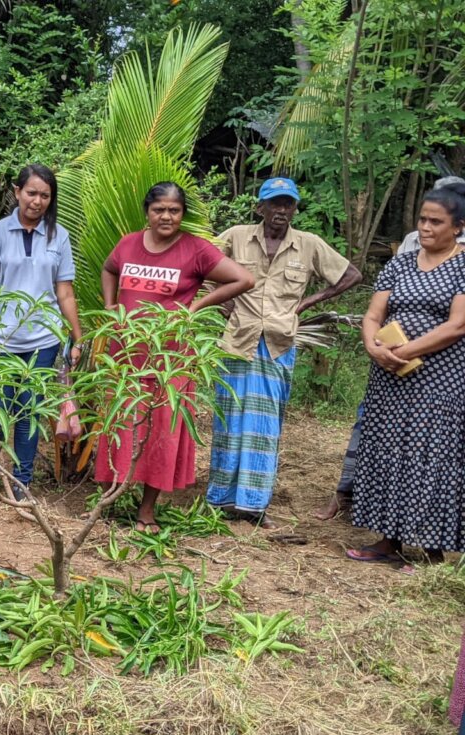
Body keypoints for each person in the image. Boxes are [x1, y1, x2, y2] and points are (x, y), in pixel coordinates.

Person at [96, 182, 255, 533]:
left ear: (182, 214)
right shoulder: (128, 243)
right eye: (159, 210)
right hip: (125, 354)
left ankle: (146, 511)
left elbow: (244, 279)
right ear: (147, 212)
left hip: (170, 358)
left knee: (162, 430)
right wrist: (110, 305)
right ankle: (110, 498)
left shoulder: (195, 249)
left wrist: (195, 307)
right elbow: (109, 269)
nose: (166, 216)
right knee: (123, 422)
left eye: (174, 210)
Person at [205, 177, 361, 527]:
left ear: (294, 209)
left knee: (265, 424)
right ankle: (219, 501)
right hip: (236, 341)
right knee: (229, 419)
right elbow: (199, 264)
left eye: (288, 204)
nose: (281, 211)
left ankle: (254, 504)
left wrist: (307, 303)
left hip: (277, 344)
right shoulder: (236, 236)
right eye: (274, 203)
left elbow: (351, 274)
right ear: (260, 207)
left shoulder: (309, 245)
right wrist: (221, 301)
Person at [316, 175, 465, 521]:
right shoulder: (399, 262)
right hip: (389, 374)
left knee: (430, 451)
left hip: (439, 377)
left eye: (435, 222)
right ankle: (387, 538)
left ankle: (429, 543)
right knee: (385, 447)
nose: (426, 228)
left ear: (458, 227)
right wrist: (373, 346)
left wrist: (407, 350)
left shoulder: (462, 266)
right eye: (422, 220)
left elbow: (458, 324)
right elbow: (372, 315)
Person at [0, 164, 83, 503]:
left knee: (29, 412)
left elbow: (64, 291)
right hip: (0, 340)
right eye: (31, 193)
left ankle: (21, 481)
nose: (37, 201)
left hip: (43, 341)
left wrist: (77, 336)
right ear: (17, 192)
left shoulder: (58, 236)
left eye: (45, 195)